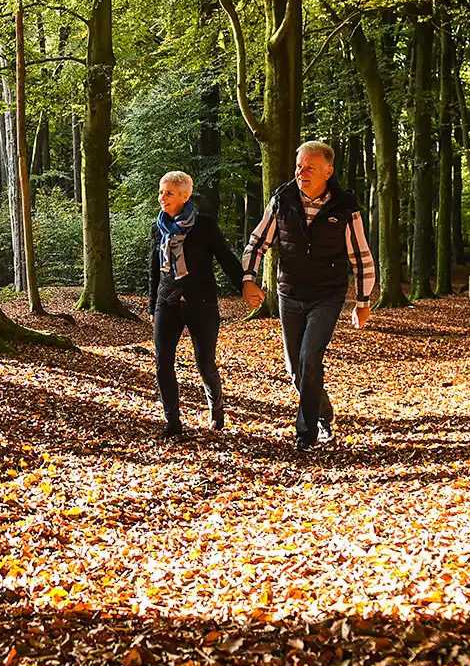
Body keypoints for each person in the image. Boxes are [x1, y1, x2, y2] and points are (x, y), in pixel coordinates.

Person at [240, 141, 377, 451]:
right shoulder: (283, 199)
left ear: (328, 172)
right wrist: (249, 278)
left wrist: (363, 300)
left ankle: (306, 435)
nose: (301, 172)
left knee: (309, 358)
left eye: (309, 168)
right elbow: (258, 241)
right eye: (299, 166)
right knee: (297, 370)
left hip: (327, 295)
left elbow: (361, 255)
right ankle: (324, 415)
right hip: (289, 293)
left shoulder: (344, 206)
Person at [147, 171, 245, 439]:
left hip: (202, 304)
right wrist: (152, 305)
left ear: (185, 195)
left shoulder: (204, 226)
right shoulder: (158, 228)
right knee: (162, 362)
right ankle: (173, 421)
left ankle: (216, 407)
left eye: (169, 193)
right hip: (167, 303)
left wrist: (245, 286)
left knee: (205, 364)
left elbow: (226, 257)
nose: (162, 198)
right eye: (161, 192)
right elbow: (154, 269)